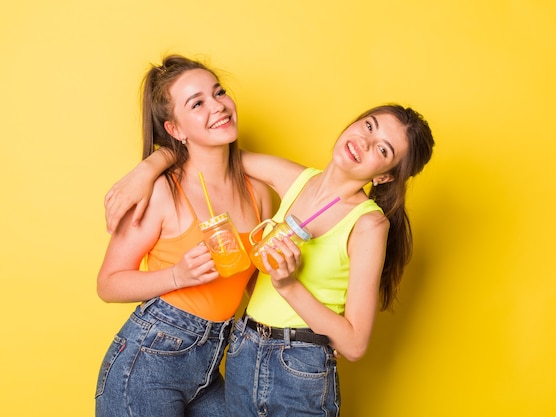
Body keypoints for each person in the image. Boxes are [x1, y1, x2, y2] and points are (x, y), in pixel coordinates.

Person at [104, 103, 435, 416]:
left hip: (299, 366)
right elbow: (209, 152)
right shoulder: (294, 178)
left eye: (382, 149)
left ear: (386, 176)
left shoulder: (369, 224)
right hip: (242, 350)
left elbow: (354, 344)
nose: (364, 141)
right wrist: (147, 168)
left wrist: (288, 285)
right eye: (368, 125)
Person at [95, 55, 272, 417]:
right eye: (198, 103)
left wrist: (308, 332)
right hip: (148, 362)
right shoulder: (162, 192)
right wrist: (178, 276)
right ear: (176, 129)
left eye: (218, 92)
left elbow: (259, 285)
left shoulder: (259, 192)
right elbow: (108, 284)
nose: (218, 106)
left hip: (212, 360)